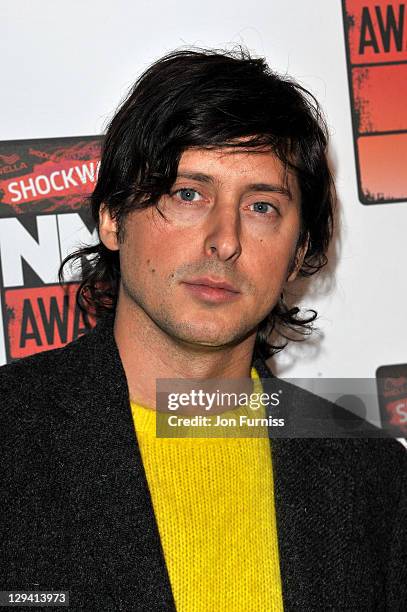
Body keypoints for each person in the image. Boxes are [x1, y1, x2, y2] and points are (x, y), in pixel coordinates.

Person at [0, 47, 405, 611]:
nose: (225, 240)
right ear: (113, 218)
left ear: (299, 252)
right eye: (189, 194)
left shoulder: (372, 477)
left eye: (262, 206)